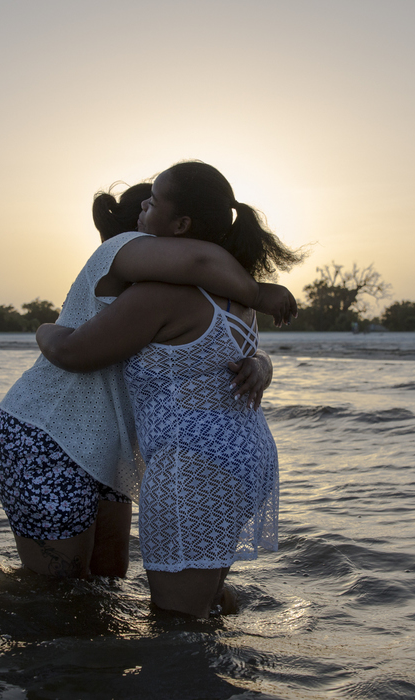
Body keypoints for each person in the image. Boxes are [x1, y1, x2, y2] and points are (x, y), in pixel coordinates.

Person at [36, 161, 305, 617]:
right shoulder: (235, 294)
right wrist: (263, 364)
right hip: (248, 455)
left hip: (194, 464)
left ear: (181, 224)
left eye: (154, 201)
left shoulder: (162, 293)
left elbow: (76, 353)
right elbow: (221, 362)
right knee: (210, 603)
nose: (143, 204)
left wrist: (45, 331)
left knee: (176, 627)